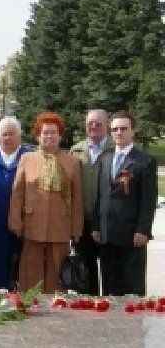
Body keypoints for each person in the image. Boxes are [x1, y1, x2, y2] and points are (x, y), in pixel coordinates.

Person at [8, 112, 83, 294]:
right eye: (45, 132)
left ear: (60, 135)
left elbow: (77, 198)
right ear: (38, 136)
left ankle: (55, 302)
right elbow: (18, 192)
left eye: (53, 132)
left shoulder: (72, 162)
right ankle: (30, 300)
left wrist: (76, 228)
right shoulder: (27, 159)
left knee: (57, 267)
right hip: (32, 222)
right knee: (30, 267)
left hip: (60, 224)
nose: (49, 136)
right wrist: (15, 221)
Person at [92, 111, 156, 296]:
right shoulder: (105, 159)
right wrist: (96, 225)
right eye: (115, 129)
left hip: (131, 235)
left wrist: (143, 230)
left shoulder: (144, 161)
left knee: (133, 287)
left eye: (123, 128)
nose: (119, 132)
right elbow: (100, 195)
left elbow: (148, 200)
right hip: (107, 234)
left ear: (133, 131)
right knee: (110, 286)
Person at [0, 117, 33, 291]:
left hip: (22, 222)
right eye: (4, 134)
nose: (8, 138)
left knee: (21, 262)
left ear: (19, 135)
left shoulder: (30, 157)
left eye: (12, 134)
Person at [69, 109, 114, 295]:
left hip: (108, 220)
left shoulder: (115, 148)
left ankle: (111, 304)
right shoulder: (76, 150)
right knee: (85, 271)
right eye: (90, 123)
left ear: (107, 125)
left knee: (110, 268)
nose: (94, 126)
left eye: (98, 123)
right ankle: (89, 306)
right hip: (83, 220)